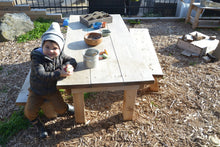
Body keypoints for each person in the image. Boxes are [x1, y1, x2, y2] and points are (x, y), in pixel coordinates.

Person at [24, 22, 77, 138]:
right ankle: (38, 124)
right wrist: (59, 73)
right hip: (37, 90)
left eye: (55, 48)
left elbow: (72, 60)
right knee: (29, 112)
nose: (50, 51)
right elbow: (41, 74)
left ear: (60, 48)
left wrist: (69, 66)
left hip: (52, 89)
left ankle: (67, 108)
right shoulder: (37, 58)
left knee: (61, 110)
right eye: (47, 47)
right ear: (42, 46)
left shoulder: (60, 56)